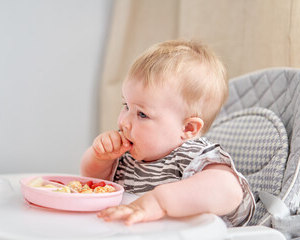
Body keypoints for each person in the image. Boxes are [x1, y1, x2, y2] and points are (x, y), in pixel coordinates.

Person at [81, 39, 255, 227]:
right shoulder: (127, 155)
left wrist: (159, 202)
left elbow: (230, 191)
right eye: (126, 106)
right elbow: (92, 182)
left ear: (188, 129)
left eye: (142, 114)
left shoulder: (194, 156)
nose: (123, 122)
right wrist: (101, 158)